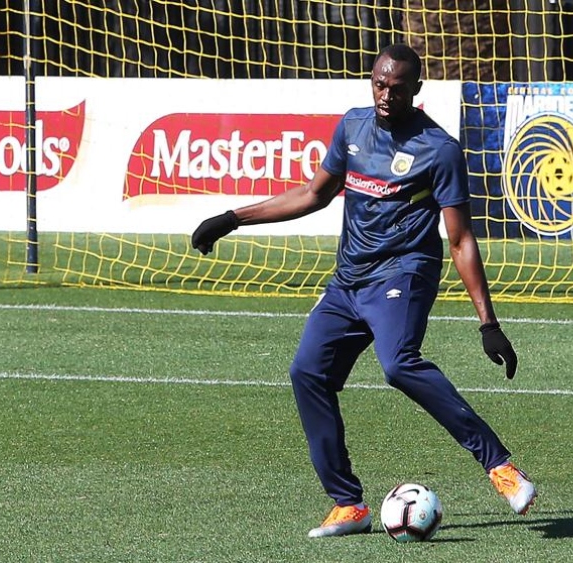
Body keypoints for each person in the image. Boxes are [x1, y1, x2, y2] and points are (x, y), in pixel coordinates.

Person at [191, 43, 536, 538]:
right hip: (348, 281)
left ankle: (500, 467)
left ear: (416, 89)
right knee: (307, 372)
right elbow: (313, 194)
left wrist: (488, 322)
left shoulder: (439, 149)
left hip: (403, 275)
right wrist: (233, 218)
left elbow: (460, 239)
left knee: (398, 365)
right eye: (379, 84)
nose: (385, 95)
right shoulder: (352, 127)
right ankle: (348, 504)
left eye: (397, 87)